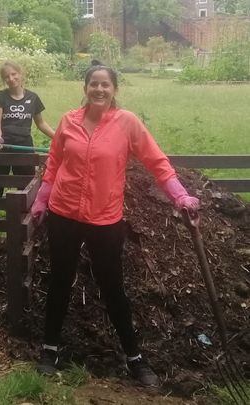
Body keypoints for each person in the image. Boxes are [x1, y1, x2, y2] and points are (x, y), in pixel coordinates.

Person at [31, 62, 199, 386]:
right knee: (60, 282)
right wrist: (41, 201)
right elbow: (53, 165)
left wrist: (180, 196)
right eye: (93, 84)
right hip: (63, 214)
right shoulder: (69, 121)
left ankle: (134, 358)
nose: (99, 89)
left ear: (114, 90)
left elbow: (157, 162)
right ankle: (49, 350)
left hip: (105, 219)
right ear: (85, 88)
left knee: (113, 288)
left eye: (105, 85)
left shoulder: (127, 123)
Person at [0, 61, 55, 219]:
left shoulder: (33, 98)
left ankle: (25, 223)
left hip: (24, 147)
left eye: (13, 74)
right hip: (2, 148)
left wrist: (60, 138)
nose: (11, 78)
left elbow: (41, 124)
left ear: (20, 74)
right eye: (6, 76)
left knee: (25, 186)